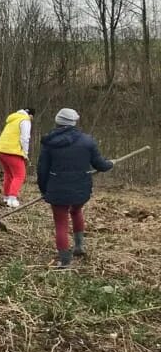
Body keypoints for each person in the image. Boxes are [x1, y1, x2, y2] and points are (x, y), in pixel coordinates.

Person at [37, 108, 113, 268]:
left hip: (57, 189)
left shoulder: (49, 143)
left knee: (61, 223)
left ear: (57, 122)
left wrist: (44, 190)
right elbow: (100, 164)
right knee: (77, 211)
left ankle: (65, 260)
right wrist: (110, 164)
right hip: (81, 188)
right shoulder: (87, 141)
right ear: (74, 122)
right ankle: (79, 246)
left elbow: (42, 170)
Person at [0, 107, 35, 207]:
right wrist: (25, 153)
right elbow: (25, 138)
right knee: (20, 175)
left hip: (0, 150)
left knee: (8, 174)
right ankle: (12, 200)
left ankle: (6, 197)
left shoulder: (12, 119)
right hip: (12, 151)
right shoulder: (25, 120)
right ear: (31, 115)